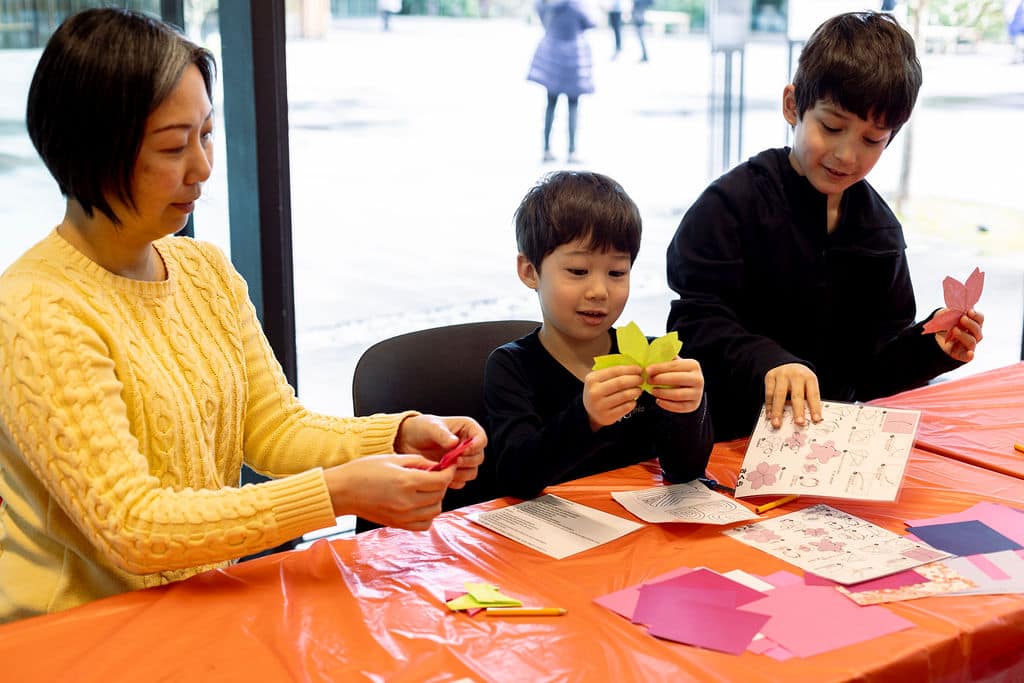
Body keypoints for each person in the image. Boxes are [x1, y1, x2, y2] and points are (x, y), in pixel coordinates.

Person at [0, 8, 485, 623]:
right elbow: (133, 527)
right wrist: (337, 492)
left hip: (194, 607)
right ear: (93, 151)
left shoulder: (202, 270)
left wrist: (397, 435)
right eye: (173, 146)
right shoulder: (37, 308)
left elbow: (273, 428)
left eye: (205, 135)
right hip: (77, 634)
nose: (202, 168)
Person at [665, 11, 985, 442]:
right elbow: (693, 326)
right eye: (832, 127)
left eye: (872, 140)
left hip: (826, 446)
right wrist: (770, 362)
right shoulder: (731, 206)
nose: (846, 155)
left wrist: (932, 349)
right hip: (725, 436)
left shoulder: (879, 232)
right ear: (792, 105)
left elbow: (873, 371)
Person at [484, 171, 713, 500]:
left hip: (640, 521)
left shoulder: (647, 359)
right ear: (530, 271)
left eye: (617, 272)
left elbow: (684, 471)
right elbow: (515, 478)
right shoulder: (512, 366)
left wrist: (690, 408)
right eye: (578, 271)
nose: (599, 291)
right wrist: (586, 418)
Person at [526, 0, 596, 164]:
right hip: (574, 55)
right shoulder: (576, 4)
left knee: (550, 103)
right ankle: (572, 151)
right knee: (573, 104)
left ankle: (546, 149)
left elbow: (541, 14)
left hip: (551, 52)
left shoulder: (545, 3)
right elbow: (591, 22)